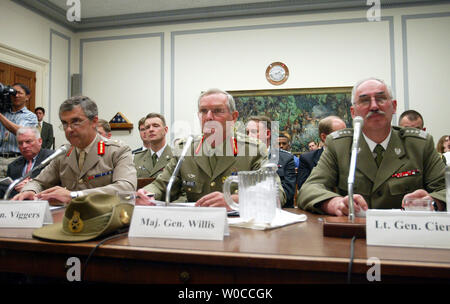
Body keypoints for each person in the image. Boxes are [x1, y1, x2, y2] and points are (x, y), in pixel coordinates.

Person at [298, 77, 446, 215]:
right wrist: (335, 203)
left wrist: (433, 202)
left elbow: (445, 189)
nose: (374, 106)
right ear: (353, 112)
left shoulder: (419, 144)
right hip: (354, 235)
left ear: (394, 107)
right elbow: (309, 189)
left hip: (407, 234)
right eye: (364, 101)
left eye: (381, 99)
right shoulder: (339, 145)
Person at [136, 88, 286, 209]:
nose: (208, 117)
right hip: (195, 228)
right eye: (203, 111)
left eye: (217, 111)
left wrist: (234, 200)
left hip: (238, 231)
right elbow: (161, 185)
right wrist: (146, 194)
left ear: (233, 117)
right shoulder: (185, 149)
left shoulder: (253, 150)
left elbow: (276, 194)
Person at [13, 95, 136, 205]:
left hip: (106, 219)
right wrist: (29, 191)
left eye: (76, 121)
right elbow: (38, 182)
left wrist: (74, 196)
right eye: (65, 123)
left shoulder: (117, 150)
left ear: (94, 121)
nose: (69, 129)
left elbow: (126, 189)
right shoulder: (63, 153)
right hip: (68, 220)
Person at [247, 115, 296, 207]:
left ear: (267, 134)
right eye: (247, 132)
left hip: (278, 211)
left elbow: (288, 193)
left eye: (254, 132)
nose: (249, 136)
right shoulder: (240, 158)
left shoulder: (286, 158)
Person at [0, 127, 54, 198]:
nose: (24, 146)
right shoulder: (13, 166)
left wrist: (30, 186)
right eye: (20, 143)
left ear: (40, 141)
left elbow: (57, 184)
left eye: (28, 142)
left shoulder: (52, 158)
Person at [296, 116, 346, 192]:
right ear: (324, 137)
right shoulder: (307, 159)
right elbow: (304, 188)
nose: (345, 138)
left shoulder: (353, 157)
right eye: (340, 135)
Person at [0, 83, 38, 177]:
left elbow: (22, 132)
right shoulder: (4, 113)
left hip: (17, 160)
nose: (16, 95)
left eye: (19, 93)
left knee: (14, 190)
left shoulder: (30, 116)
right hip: (0, 158)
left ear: (27, 97)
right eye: (13, 93)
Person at [133, 113, 172, 179]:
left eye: (155, 126)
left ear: (165, 130)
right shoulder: (136, 158)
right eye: (147, 127)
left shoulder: (176, 157)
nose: (151, 129)